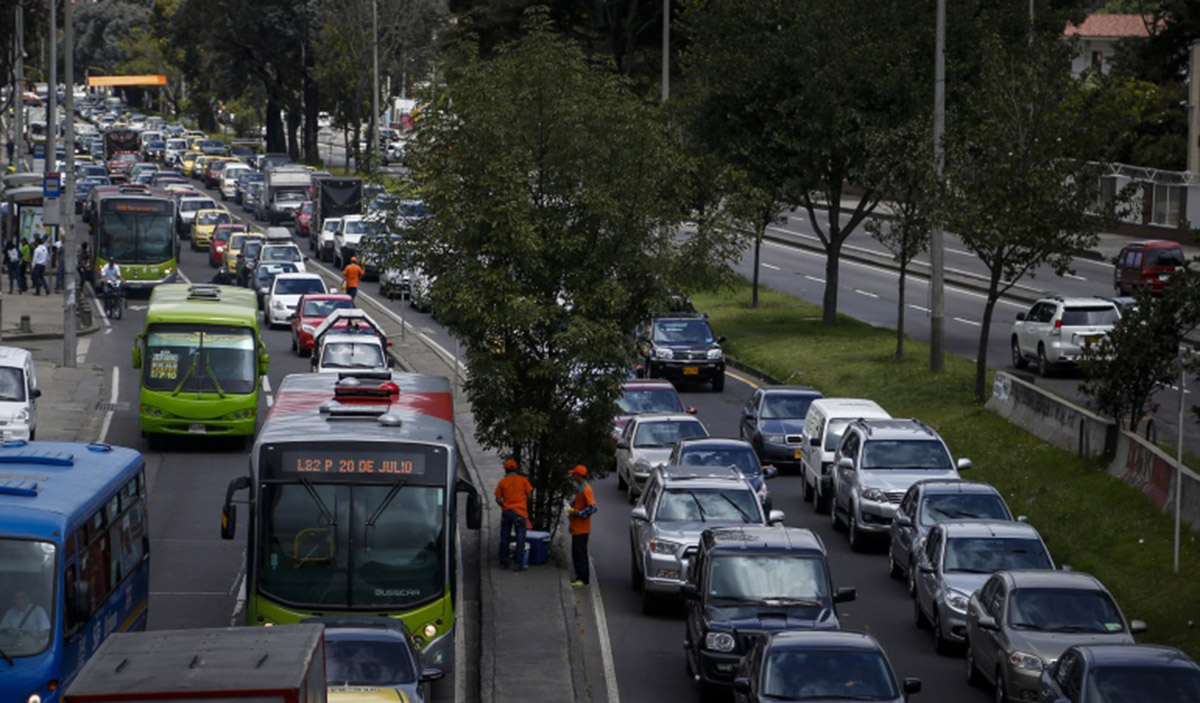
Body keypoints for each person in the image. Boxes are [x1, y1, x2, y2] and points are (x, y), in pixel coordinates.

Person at [494, 459, 534, 571]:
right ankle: (519, 563)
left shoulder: (503, 482)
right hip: (520, 512)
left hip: (507, 511)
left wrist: (504, 506)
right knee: (520, 536)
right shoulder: (523, 480)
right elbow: (530, 496)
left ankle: (503, 562)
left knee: (505, 536)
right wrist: (524, 504)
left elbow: (498, 499)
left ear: (506, 470)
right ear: (516, 469)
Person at [566, 464, 597, 588]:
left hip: (582, 528)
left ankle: (583, 579)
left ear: (579, 475)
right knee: (578, 553)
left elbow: (593, 508)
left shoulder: (586, 489)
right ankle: (581, 577)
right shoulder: (581, 488)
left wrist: (578, 513)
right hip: (577, 527)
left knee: (579, 554)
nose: (573, 476)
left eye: (574, 474)